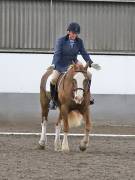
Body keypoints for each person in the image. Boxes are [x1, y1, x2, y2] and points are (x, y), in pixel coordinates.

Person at [49, 22, 101, 109]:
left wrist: (91, 63)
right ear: (68, 31)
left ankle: (87, 95)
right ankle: (53, 100)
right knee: (53, 79)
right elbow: (57, 54)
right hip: (61, 63)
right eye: (73, 33)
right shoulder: (60, 41)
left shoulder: (79, 42)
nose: (74, 35)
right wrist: (53, 64)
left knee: (89, 75)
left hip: (73, 63)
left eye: (76, 33)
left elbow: (84, 53)